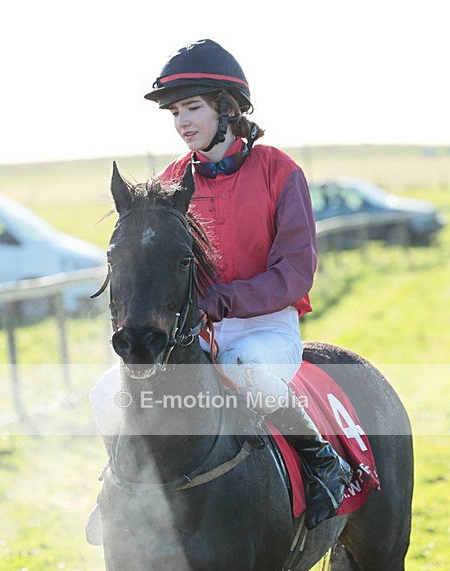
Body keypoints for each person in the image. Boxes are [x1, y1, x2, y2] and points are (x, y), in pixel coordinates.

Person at [87, 39, 352, 542]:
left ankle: (323, 466)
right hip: (190, 331)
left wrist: (221, 302)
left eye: (193, 108)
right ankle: (115, 490)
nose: (182, 122)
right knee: (105, 393)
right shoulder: (170, 181)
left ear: (227, 109)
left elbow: (295, 273)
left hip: (264, 326)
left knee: (247, 371)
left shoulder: (279, 171)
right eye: (175, 112)